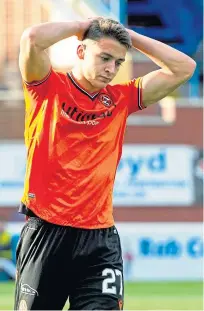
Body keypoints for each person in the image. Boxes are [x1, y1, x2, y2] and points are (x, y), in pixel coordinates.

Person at [15, 17, 196, 310]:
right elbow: (32, 37)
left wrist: (131, 36)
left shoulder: (120, 99)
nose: (111, 69)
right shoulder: (46, 87)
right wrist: (83, 25)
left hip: (100, 240)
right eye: (105, 58)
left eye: (118, 61)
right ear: (81, 51)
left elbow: (184, 68)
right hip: (47, 232)